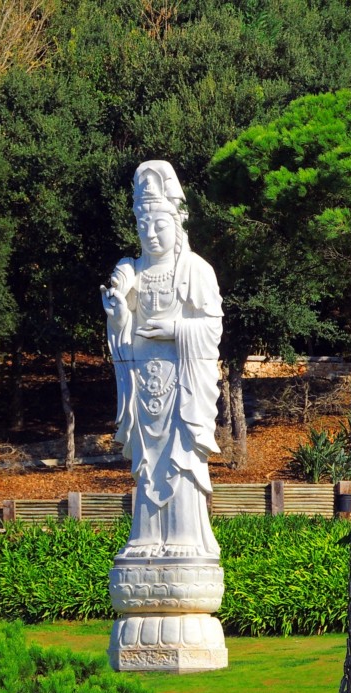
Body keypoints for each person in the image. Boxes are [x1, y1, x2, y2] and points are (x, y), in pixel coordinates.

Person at [100, 160, 223, 560]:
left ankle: (186, 538)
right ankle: (146, 538)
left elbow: (211, 328)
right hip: (143, 389)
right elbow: (122, 332)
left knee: (180, 462)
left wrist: (176, 331)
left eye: (160, 226)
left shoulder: (196, 270)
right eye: (143, 226)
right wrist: (118, 312)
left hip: (183, 389)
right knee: (147, 464)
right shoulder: (131, 272)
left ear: (177, 225)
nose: (151, 234)